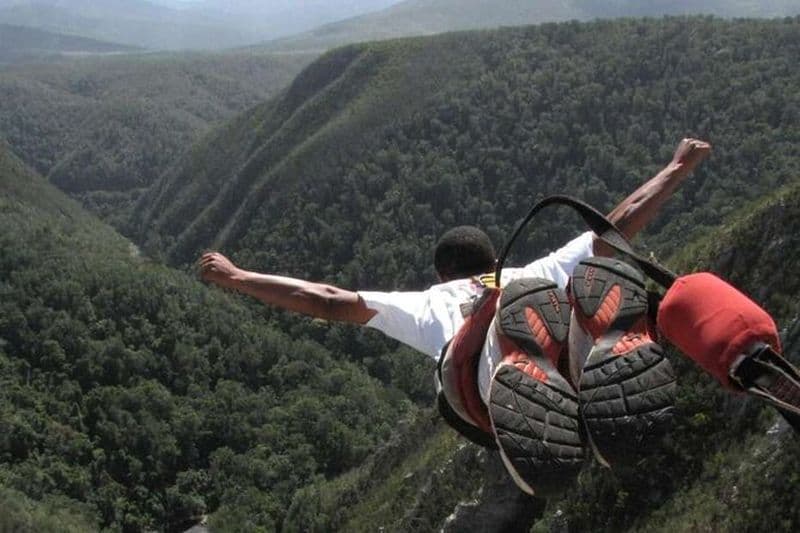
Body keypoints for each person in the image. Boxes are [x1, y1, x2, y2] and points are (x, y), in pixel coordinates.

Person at [199, 138, 712, 495]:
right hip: (543, 313)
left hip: (491, 386)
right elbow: (616, 226)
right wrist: (677, 167)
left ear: (443, 272)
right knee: (576, 286)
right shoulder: (531, 271)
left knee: (465, 369)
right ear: (494, 262)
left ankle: (516, 366)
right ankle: (590, 348)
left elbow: (329, 300)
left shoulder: (430, 303)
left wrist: (238, 277)